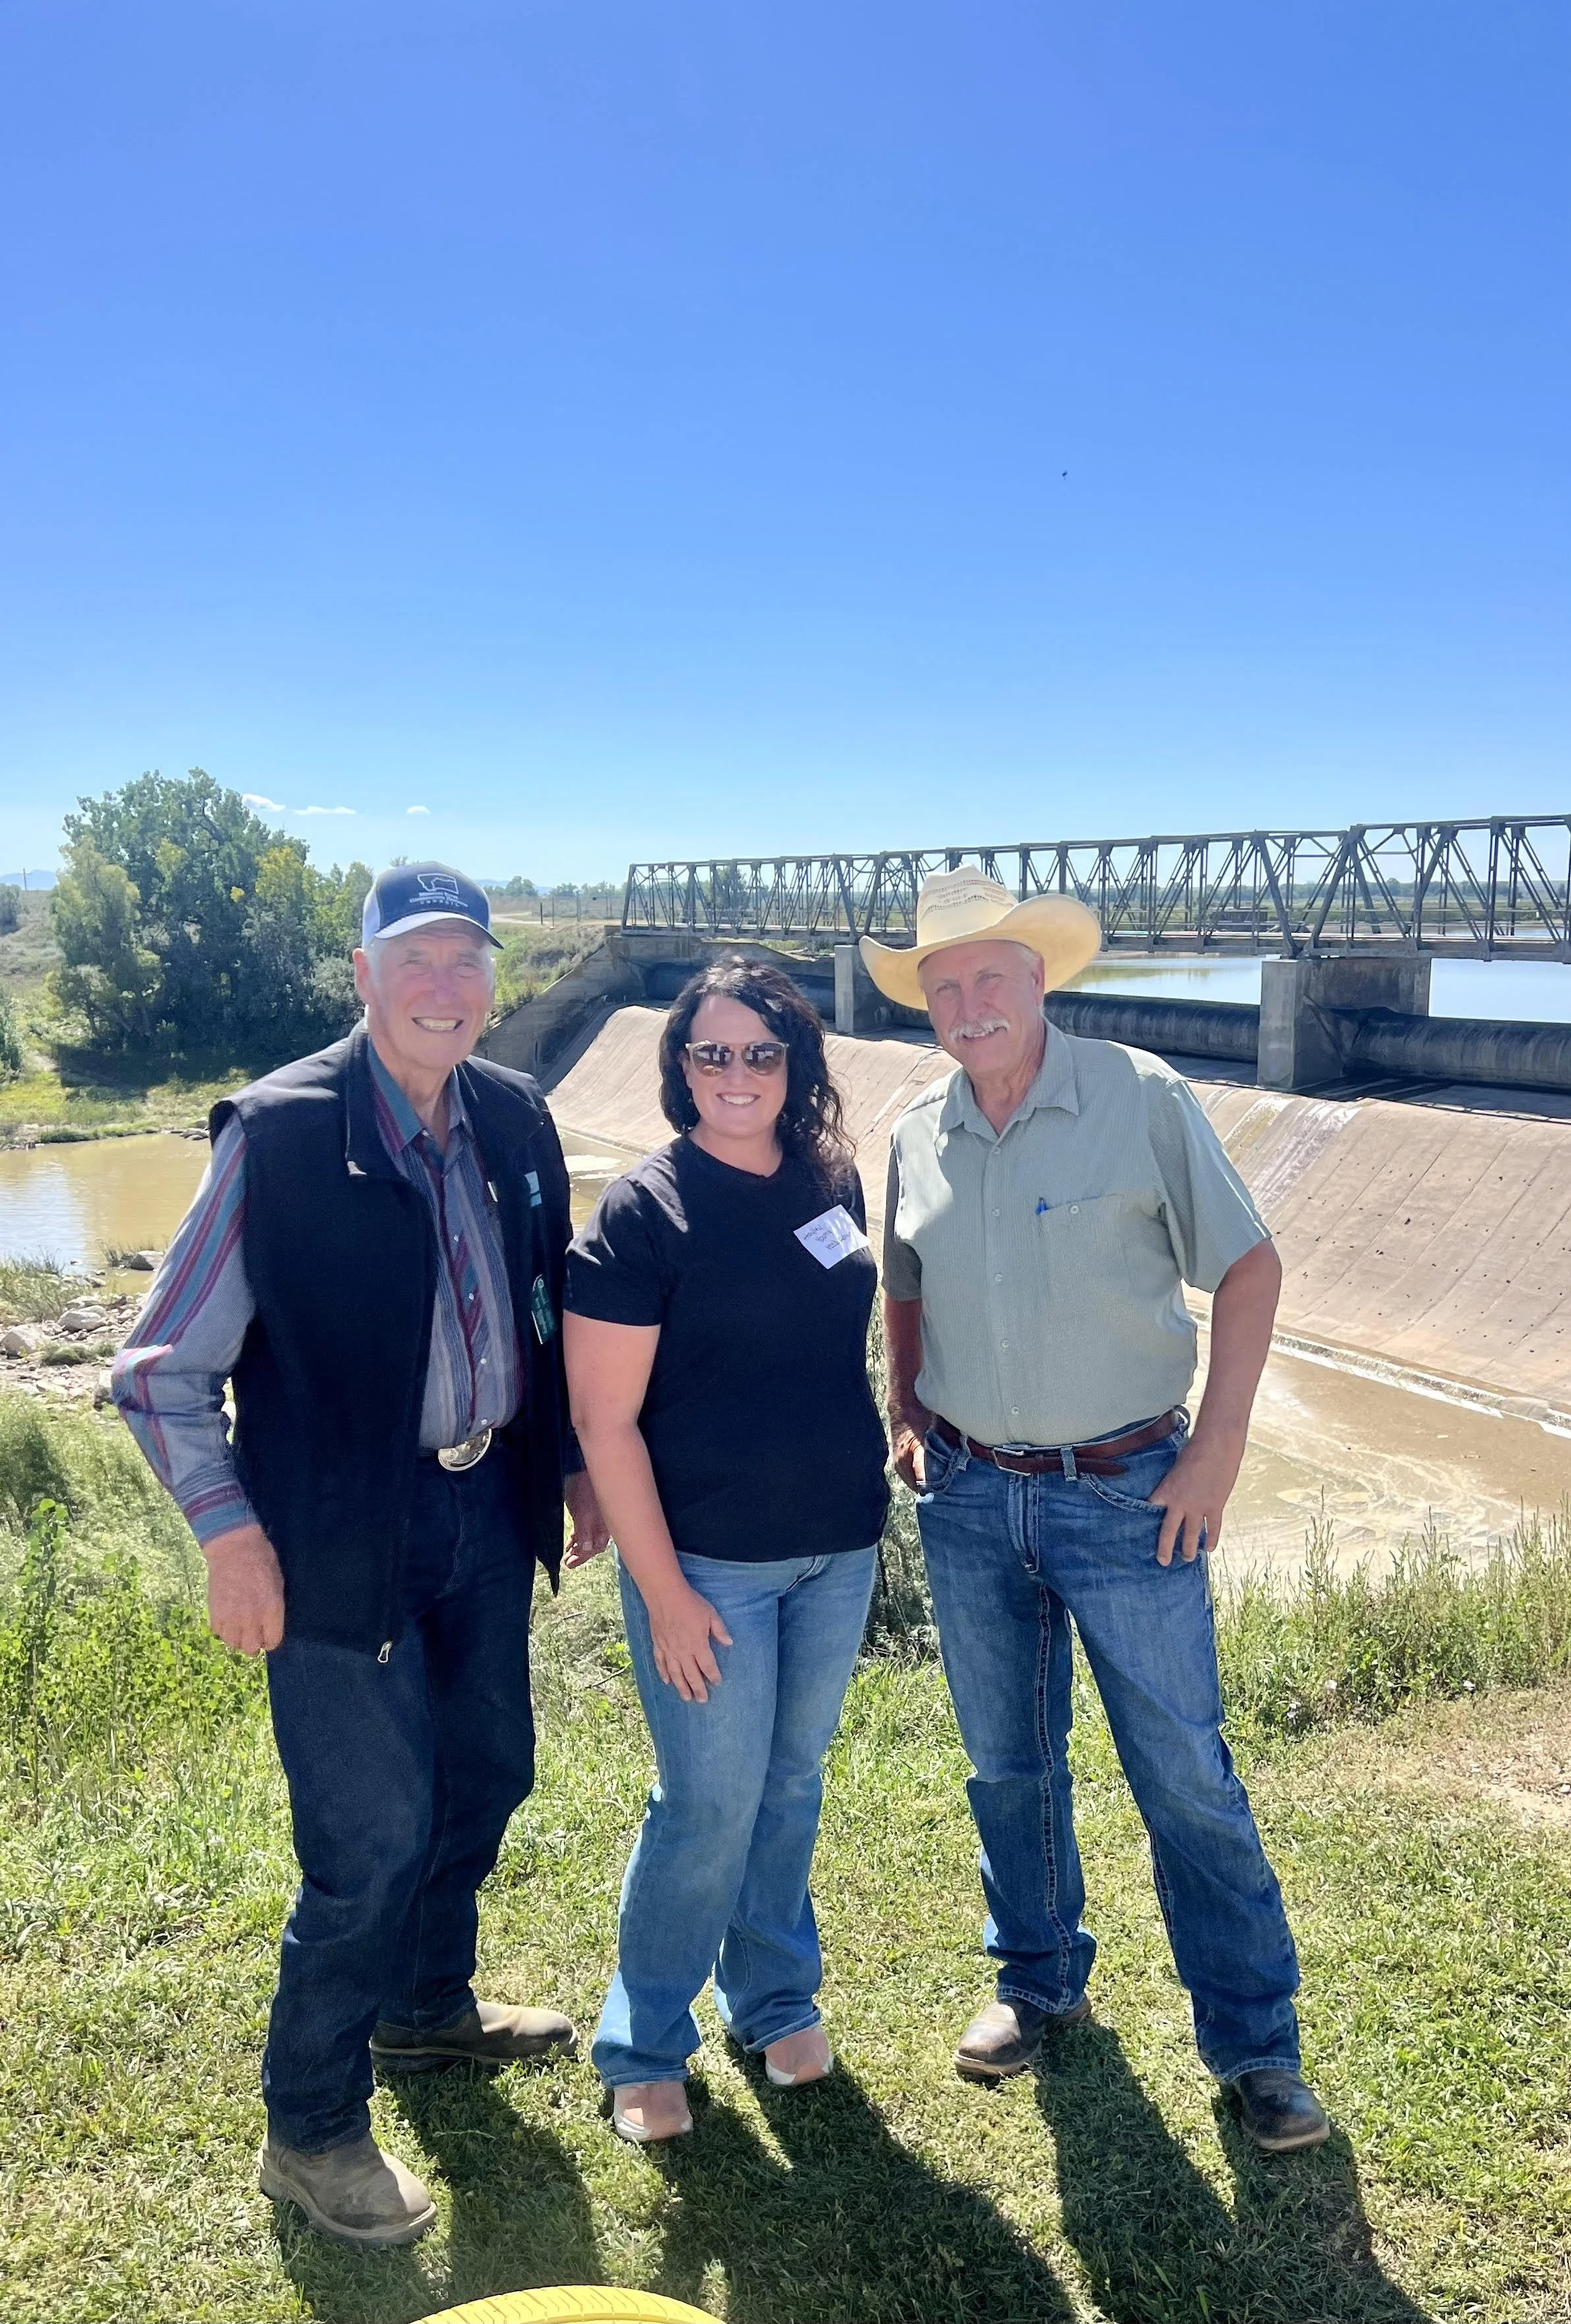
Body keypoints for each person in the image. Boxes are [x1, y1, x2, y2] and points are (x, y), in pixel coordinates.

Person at [111, 862, 608, 2246]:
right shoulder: (277, 1136)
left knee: (489, 1772)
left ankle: (425, 2008)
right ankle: (311, 2129)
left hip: (483, 1514)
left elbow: (541, 1306)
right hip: (334, 1538)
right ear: (364, 976)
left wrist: (563, 1458)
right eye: (418, 962)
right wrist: (230, 1536)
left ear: (494, 980)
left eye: (469, 962)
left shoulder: (512, 1117)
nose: (446, 989)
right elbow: (159, 1371)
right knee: (365, 1842)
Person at [863, 869, 1329, 2154]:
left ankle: (1257, 2049)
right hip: (967, 1500)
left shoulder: (1138, 1096)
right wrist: (908, 1406)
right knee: (1009, 1769)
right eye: (944, 985)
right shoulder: (915, 1134)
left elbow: (1248, 1265)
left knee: (1184, 1773)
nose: (969, 1002)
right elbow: (904, 1281)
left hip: (1131, 1496)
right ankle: (1036, 1986)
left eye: (990, 978)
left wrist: (1220, 1446)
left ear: (1039, 981)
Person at [563, 957, 888, 2144]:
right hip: (709, 1565)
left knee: (790, 1786)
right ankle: (645, 2042)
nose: (737, 1072)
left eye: (762, 1051)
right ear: (678, 1065)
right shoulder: (643, 1211)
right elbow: (602, 1420)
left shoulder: (831, 1176)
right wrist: (662, 1592)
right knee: (705, 1801)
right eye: (712, 1051)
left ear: (795, 1063)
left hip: (836, 1548)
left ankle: (772, 1995)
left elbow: (847, 1324)